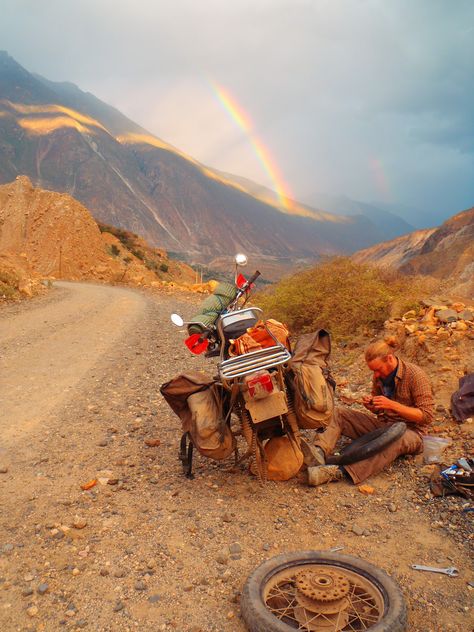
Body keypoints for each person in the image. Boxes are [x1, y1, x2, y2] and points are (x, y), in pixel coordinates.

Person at [306, 336, 434, 486]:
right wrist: (373, 407)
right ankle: (318, 453)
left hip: (412, 433)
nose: (375, 376)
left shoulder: (415, 375)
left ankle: (340, 471)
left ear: (390, 358)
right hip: (384, 426)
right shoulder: (380, 377)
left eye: (378, 370)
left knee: (396, 437)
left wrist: (393, 405)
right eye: (373, 371)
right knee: (338, 412)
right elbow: (381, 411)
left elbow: (426, 416)